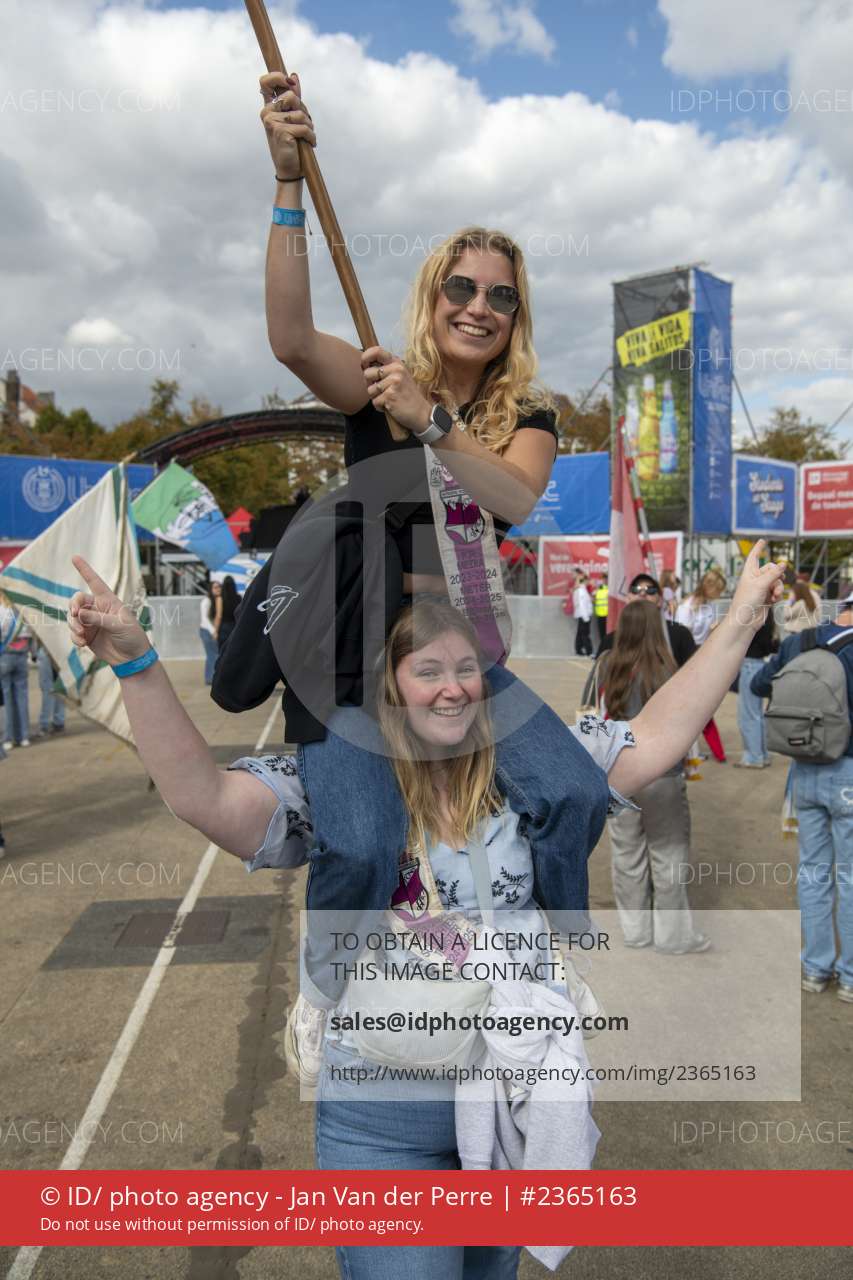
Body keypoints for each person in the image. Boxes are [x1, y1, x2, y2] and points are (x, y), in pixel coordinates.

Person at [67, 542, 784, 1279]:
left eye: (466, 670)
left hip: (506, 1100)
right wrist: (136, 663)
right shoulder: (332, 789)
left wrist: (738, 621)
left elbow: (656, 736)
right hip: (381, 1119)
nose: (452, 690)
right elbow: (204, 797)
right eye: (428, 671)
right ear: (389, 685)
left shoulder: (533, 771)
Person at [751, 590, 853, 1002]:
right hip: (849, 772)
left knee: (813, 872)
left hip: (804, 770)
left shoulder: (802, 641)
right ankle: (850, 977)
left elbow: (759, 683)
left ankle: (815, 967)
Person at [599, 602, 708, 953]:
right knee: (668, 852)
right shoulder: (668, 671)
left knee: (626, 854)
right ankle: (672, 936)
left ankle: (635, 931)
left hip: (618, 773)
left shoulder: (607, 666)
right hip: (661, 774)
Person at [676, 570, 728, 763]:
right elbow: (682, 637)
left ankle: (710, 752)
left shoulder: (709, 606)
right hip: (687, 660)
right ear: (709, 587)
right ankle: (693, 752)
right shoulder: (687, 607)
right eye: (718, 590)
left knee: (703, 708)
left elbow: (708, 633)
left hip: (703, 657)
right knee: (693, 709)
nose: (720, 595)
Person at [596, 572, 696, 666]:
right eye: (635, 590)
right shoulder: (611, 641)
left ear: (660, 601)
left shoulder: (680, 635)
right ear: (627, 599)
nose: (642, 593)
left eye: (650, 590)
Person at [734, 612, 776, 768]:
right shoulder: (766, 615)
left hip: (750, 665)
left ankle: (754, 757)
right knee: (756, 714)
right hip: (757, 664)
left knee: (748, 714)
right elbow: (768, 645)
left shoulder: (756, 615)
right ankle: (761, 754)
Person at [0, 594, 32, 749]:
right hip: (22, 655)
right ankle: (24, 736)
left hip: (5, 656)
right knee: (22, 697)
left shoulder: (1, 611)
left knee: (8, 699)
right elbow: (30, 635)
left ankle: (9, 738)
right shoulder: (22, 612)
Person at [34, 638, 66, 738]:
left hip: (46, 650)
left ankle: (44, 725)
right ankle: (58, 722)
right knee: (59, 687)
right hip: (61, 651)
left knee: (47, 689)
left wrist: (34, 653)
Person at [199, 582, 220, 684]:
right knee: (212, 654)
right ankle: (210, 678)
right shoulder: (206, 601)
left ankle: (210, 678)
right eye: (215, 587)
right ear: (210, 589)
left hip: (210, 630)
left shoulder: (215, 600)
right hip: (206, 631)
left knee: (212, 654)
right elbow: (204, 618)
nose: (218, 589)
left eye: (219, 587)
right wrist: (213, 631)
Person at [215, 576, 240, 653]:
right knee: (233, 652)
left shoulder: (220, 598)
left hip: (224, 628)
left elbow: (219, 616)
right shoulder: (238, 597)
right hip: (235, 626)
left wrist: (215, 630)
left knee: (222, 652)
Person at [572, 573, 593, 656]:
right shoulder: (581, 591)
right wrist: (586, 617)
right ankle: (589, 651)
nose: (589, 582)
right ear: (584, 581)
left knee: (580, 633)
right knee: (585, 634)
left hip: (582, 615)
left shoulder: (580, 590)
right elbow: (582, 605)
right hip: (584, 615)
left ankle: (579, 650)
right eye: (588, 580)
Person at [592, 574, 609, 649]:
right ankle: (603, 650)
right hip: (601, 615)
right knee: (602, 634)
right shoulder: (599, 589)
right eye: (603, 579)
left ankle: (606, 649)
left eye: (605, 579)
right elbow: (593, 599)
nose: (604, 580)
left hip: (609, 616)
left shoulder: (610, 589)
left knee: (607, 634)